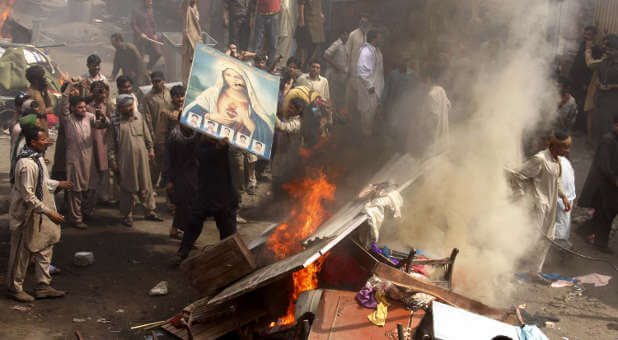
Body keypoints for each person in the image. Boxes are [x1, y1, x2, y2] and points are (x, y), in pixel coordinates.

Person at [7, 125, 72, 302]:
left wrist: (58, 184)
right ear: (33, 142)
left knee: (45, 246)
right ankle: (14, 287)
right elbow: (28, 195)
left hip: (41, 211)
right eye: (43, 140)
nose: (46, 142)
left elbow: (43, 184)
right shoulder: (27, 164)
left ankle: (43, 285)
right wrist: (48, 212)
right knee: (23, 250)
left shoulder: (38, 159)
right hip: (27, 214)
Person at [508, 132, 572, 273]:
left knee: (547, 239)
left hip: (551, 206)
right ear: (555, 146)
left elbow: (557, 181)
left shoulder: (557, 161)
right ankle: (512, 266)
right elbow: (516, 174)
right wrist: (520, 194)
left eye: (568, 147)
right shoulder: (540, 159)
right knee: (532, 238)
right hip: (538, 205)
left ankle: (535, 271)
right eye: (565, 147)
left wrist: (564, 197)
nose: (567, 151)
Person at [177, 136, 238, 261]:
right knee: (194, 222)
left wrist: (227, 146)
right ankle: (183, 252)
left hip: (225, 193)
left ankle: (230, 258)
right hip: (206, 192)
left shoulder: (231, 144)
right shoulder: (202, 144)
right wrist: (217, 147)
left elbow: (236, 161)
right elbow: (202, 156)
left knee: (228, 230)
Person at [59, 82, 109, 229]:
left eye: (83, 107)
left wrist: (102, 116)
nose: (82, 109)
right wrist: (69, 87)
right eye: (79, 107)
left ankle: (87, 212)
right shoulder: (68, 119)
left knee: (92, 187)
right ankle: (76, 218)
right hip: (74, 159)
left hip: (89, 159)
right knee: (75, 190)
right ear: (73, 108)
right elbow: (64, 101)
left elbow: (104, 125)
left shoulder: (89, 116)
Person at [109, 94, 163, 227]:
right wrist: (113, 162)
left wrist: (150, 149)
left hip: (142, 158)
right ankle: (128, 215)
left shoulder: (139, 118)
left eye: (131, 106)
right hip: (125, 160)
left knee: (146, 183)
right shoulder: (115, 122)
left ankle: (149, 211)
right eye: (127, 107)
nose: (130, 109)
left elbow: (147, 135)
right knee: (127, 186)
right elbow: (110, 146)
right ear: (120, 108)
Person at [184, 66, 274, 144]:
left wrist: (248, 122)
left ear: (244, 80)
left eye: (237, 77)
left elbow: (264, 134)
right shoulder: (213, 93)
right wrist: (210, 116)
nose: (232, 79)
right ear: (223, 76)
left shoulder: (252, 104)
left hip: (235, 147)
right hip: (211, 141)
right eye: (228, 75)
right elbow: (189, 113)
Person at [576, 115, 618, 253]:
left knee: (604, 213)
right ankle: (600, 243)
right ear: (615, 126)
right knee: (606, 214)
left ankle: (584, 230)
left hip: (610, 185)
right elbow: (605, 167)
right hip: (603, 186)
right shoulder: (608, 140)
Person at [165, 109, 199, 240]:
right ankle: (188, 235)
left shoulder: (196, 133)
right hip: (179, 175)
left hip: (193, 174)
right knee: (185, 206)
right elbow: (168, 160)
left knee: (184, 205)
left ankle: (174, 230)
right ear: (180, 121)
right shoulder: (174, 136)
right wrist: (168, 180)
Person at [87, 81, 116, 206]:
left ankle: (103, 197)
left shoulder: (108, 105)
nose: (102, 93)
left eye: (103, 91)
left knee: (105, 170)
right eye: (99, 91)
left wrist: (104, 117)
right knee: (92, 170)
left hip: (104, 141)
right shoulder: (88, 107)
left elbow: (112, 121)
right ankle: (92, 199)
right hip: (91, 141)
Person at [144, 71, 173, 187]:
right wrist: (151, 135)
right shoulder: (148, 97)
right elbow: (147, 118)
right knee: (156, 164)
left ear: (163, 81)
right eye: (154, 81)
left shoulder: (170, 93)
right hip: (157, 136)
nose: (156, 84)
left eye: (158, 81)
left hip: (171, 134)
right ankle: (151, 187)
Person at [569, 26, 597, 133]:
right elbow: (578, 61)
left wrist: (587, 83)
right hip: (576, 79)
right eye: (585, 34)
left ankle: (581, 129)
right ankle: (574, 125)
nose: (586, 36)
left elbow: (592, 68)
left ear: (594, 36)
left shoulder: (595, 49)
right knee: (574, 103)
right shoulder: (582, 45)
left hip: (584, 82)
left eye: (589, 35)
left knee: (582, 106)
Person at [357, 30, 384, 136]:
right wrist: (370, 86)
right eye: (379, 37)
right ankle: (365, 139)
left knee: (373, 114)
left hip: (376, 88)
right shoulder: (366, 52)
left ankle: (369, 136)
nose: (381, 39)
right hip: (369, 90)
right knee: (367, 114)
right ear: (374, 39)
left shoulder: (377, 50)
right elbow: (362, 72)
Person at [345, 14, 369, 111]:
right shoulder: (353, 34)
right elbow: (347, 52)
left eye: (366, 23)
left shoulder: (369, 35)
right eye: (362, 22)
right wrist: (347, 69)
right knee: (351, 95)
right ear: (359, 23)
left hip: (365, 72)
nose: (364, 24)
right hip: (353, 69)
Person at [131, 0, 163, 70]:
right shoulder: (136, 10)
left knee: (158, 53)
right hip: (140, 37)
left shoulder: (150, 9)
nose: (150, 2)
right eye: (149, 1)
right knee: (140, 57)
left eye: (151, 1)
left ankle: (149, 68)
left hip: (150, 35)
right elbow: (133, 25)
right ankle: (140, 73)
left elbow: (152, 22)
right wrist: (140, 34)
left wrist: (154, 33)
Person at [323, 30, 349, 111]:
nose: (346, 37)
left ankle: (335, 115)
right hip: (333, 74)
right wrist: (335, 66)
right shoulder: (337, 44)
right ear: (340, 35)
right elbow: (325, 55)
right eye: (344, 35)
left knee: (339, 96)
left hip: (341, 75)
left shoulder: (346, 45)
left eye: (347, 35)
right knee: (331, 95)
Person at [554, 155, 576, 248]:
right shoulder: (565, 161)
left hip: (561, 197)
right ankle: (561, 244)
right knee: (563, 221)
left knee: (561, 222)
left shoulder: (554, 162)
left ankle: (560, 246)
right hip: (567, 196)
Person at [253, 0, 281, 66]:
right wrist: (252, 16)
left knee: (273, 42)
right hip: (261, 14)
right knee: (257, 41)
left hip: (274, 15)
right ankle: (256, 62)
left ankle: (270, 65)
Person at [25, 65, 52, 133]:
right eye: (42, 76)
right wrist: (47, 110)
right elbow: (31, 113)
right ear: (35, 80)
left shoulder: (40, 92)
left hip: (44, 128)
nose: (45, 78)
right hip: (36, 131)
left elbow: (49, 105)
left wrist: (45, 92)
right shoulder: (30, 93)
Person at [298, 0, 325, 64]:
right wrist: (302, 19)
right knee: (307, 45)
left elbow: (319, 3)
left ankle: (308, 64)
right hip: (309, 20)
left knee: (316, 44)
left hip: (317, 19)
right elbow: (301, 5)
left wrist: (321, 13)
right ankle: (304, 64)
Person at [182, 0, 202, 85]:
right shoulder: (186, 7)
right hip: (189, 39)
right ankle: (186, 84)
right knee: (188, 64)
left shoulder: (195, 7)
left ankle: (194, 83)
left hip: (196, 38)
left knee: (196, 63)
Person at [276, 0, 298, 68]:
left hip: (290, 18)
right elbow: (285, 7)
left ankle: (282, 65)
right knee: (283, 44)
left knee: (286, 45)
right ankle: (278, 65)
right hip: (285, 19)